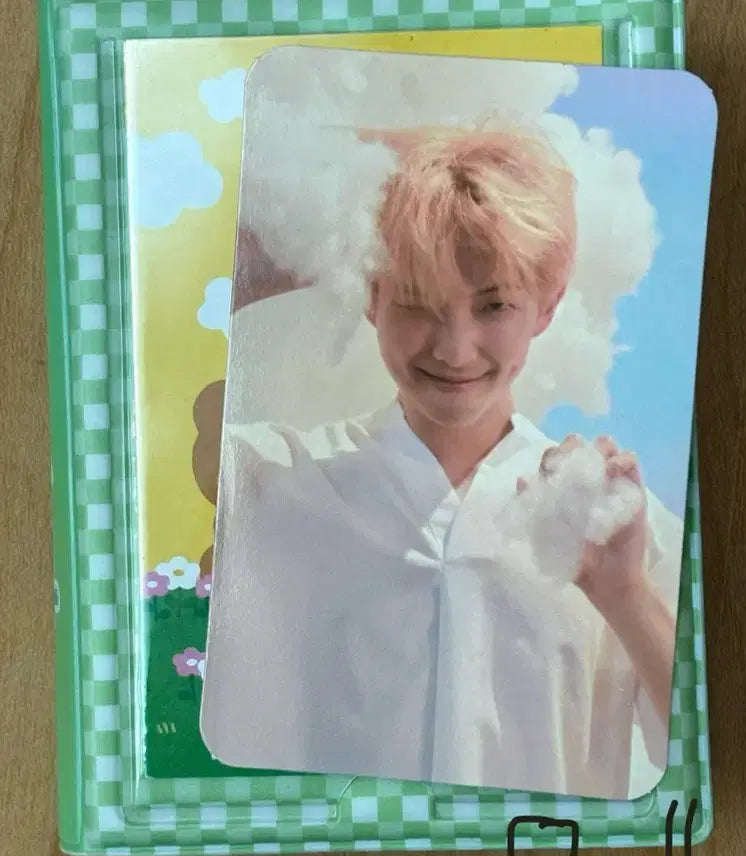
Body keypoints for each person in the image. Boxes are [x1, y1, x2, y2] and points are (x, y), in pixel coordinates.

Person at [199, 124, 682, 800]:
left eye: (495, 305)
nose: (455, 350)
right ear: (369, 295)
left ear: (546, 306)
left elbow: (711, 756)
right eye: (418, 301)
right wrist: (358, 203)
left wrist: (626, 597)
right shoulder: (271, 480)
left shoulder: (615, 528)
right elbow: (134, 326)